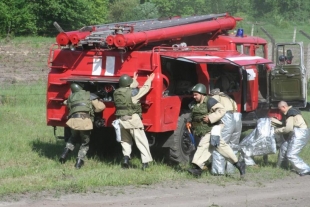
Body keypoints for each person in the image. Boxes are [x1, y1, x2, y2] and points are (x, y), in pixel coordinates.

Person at [187, 83, 245, 178]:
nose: (194, 96)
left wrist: (210, 118)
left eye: (196, 94)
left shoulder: (210, 101)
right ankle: (239, 164)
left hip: (214, 128)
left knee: (203, 144)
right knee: (222, 147)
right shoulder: (194, 104)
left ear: (202, 93)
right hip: (204, 129)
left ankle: (197, 167)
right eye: (193, 94)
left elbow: (221, 110)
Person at [113, 72, 154, 170]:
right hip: (133, 120)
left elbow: (129, 87)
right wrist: (149, 80)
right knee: (141, 141)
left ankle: (126, 159)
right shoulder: (133, 93)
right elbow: (144, 89)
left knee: (125, 141)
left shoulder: (116, 93)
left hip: (121, 120)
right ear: (129, 84)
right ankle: (145, 163)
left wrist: (134, 79)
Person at [59, 82, 106, 169]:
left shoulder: (70, 97)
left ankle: (65, 153)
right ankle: (79, 162)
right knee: (85, 143)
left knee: (73, 138)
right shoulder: (89, 95)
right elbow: (100, 108)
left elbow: (65, 103)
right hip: (85, 121)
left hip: (73, 121)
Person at [209, 88, 242, 175]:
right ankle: (230, 170)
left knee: (219, 145)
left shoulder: (215, 97)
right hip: (237, 118)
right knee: (233, 146)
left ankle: (218, 172)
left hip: (225, 118)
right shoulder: (228, 97)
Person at [275, 101, 310, 176]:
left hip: (300, 133)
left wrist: (276, 131)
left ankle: (306, 170)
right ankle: (282, 166)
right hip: (296, 132)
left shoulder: (290, 113)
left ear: (283, 107)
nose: (279, 111)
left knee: (291, 154)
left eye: (280, 109)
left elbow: (288, 128)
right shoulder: (292, 110)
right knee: (284, 147)